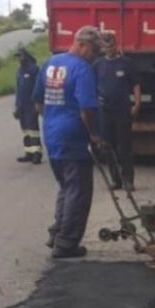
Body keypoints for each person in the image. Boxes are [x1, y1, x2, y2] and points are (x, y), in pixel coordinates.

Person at [32, 26, 102, 259]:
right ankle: (67, 244)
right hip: (73, 137)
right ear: (82, 45)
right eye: (94, 51)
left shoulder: (51, 63)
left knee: (66, 187)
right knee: (79, 191)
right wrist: (93, 134)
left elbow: (38, 102)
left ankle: (57, 234)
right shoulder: (82, 69)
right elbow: (87, 109)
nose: (95, 56)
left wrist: (53, 120)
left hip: (52, 135)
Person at [93, 32, 141, 192]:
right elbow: (91, 86)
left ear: (116, 44)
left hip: (122, 110)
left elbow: (136, 85)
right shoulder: (98, 65)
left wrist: (137, 103)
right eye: (106, 46)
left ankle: (128, 180)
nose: (110, 48)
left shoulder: (126, 63)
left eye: (112, 45)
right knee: (108, 147)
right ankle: (116, 180)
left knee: (124, 147)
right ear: (103, 48)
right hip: (104, 111)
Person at [13, 48, 42, 164]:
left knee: (33, 129)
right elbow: (18, 90)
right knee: (25, 130)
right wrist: (16, 106)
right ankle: (28, 152)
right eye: (17, 57)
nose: (19, 59)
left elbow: (38, 87)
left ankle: (37, 153)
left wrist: (37, 103)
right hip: (21, 105)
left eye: (20, 56)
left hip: (31, 104)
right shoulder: (19, 70)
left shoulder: (33, 69)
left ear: (25, 56)